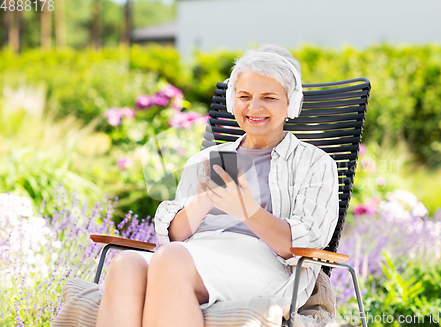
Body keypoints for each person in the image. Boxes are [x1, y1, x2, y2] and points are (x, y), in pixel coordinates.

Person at [95, 44, 339, 327]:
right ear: (231, 101)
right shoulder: (208, 159)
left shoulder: (315, 163)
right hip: (193, 253)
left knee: (172, 259)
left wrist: (245, 208)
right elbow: (173, 235)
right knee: (126, 265)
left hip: (264, 266)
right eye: (244, 96)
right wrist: (204, 200)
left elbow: (303, 246)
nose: (254, 107)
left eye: (269, 97)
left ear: (291, 104)